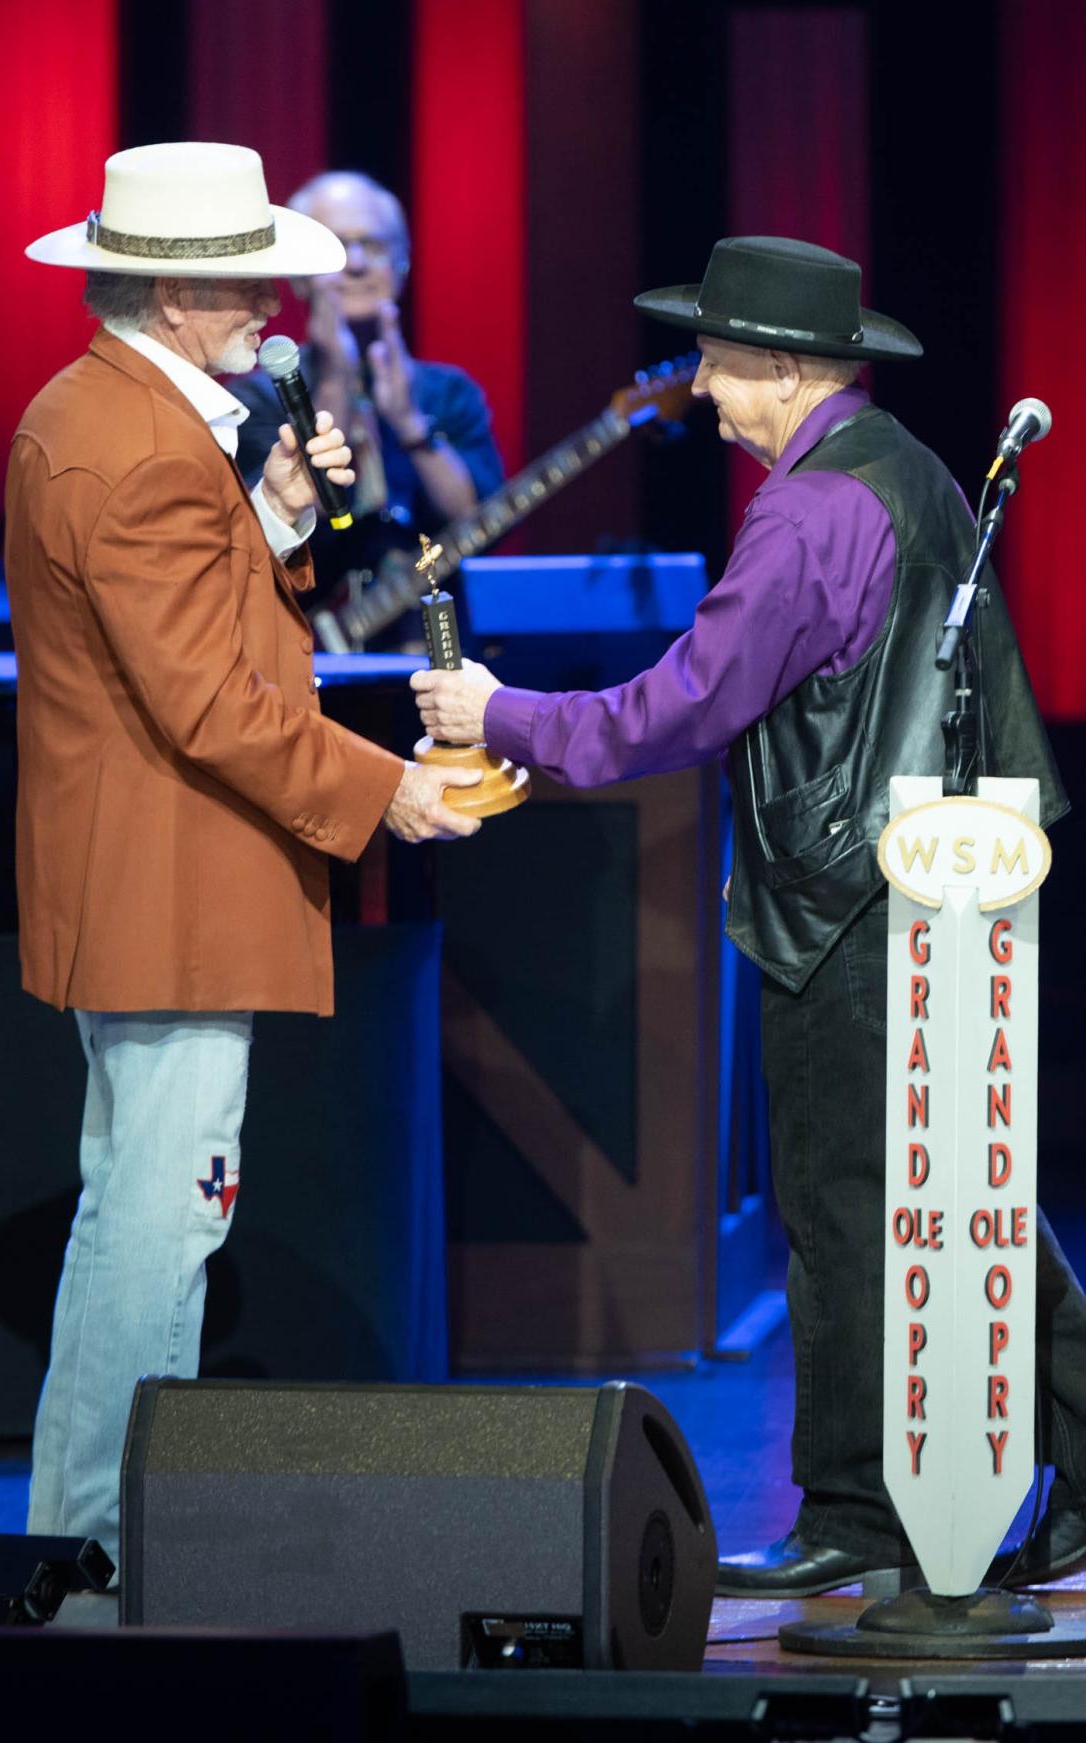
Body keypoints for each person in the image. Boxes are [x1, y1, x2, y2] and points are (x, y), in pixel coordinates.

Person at [412, 235, 1086, 1597]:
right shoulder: (904, 471)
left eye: (717, 365)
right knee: (967, 1200)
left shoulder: (806, 511)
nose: (704, 393)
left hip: (851, 905)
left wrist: (502, 716)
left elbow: (687, 699)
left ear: (779, 367)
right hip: (943, 888)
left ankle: (852, 1510)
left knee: (846, 1209)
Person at [8, 141, 481, 1567]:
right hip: (168, 886)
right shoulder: (134, 443)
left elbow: (195, 616)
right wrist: (384, 787)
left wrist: (274, 512)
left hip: (153, 878)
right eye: (248, 282)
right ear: (169, 291)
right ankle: (102, 1552)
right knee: (161, 1232)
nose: (278, 303)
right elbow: (207, 695)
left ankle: (82, 1539)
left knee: (137, 1220)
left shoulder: (126, 418)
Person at [233, 170, 504, 623]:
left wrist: (411, 423)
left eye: (374, 246)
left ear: (401, 264)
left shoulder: (450, 391)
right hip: (305, 635)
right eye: (338, 248)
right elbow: (268, 527)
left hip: (439, 634)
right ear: (300, 278)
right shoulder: (255, 398)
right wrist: (336, 379)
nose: (356, 263)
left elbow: (482, 523)